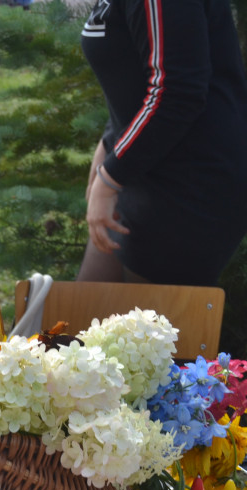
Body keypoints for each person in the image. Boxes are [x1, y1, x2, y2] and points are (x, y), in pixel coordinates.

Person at [78, 0, 247, 285]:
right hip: (140, 168)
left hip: (187, 186)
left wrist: (109, 181)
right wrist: (107, 151)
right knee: (83, 317)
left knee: (148, 327)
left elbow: (177, 93)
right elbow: (133, 83)